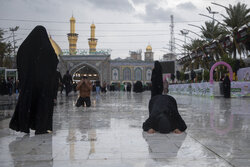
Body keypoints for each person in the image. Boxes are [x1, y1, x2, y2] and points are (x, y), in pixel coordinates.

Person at [9, 26, 58, 134]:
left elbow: (20, 60)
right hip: (44, 84)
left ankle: (23, 126)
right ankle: (41, 127)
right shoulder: (47, 48)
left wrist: (25, 77)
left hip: (29, 83)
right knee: (42, 104)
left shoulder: (25, 47)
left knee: (27, 103)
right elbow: (54, 61)